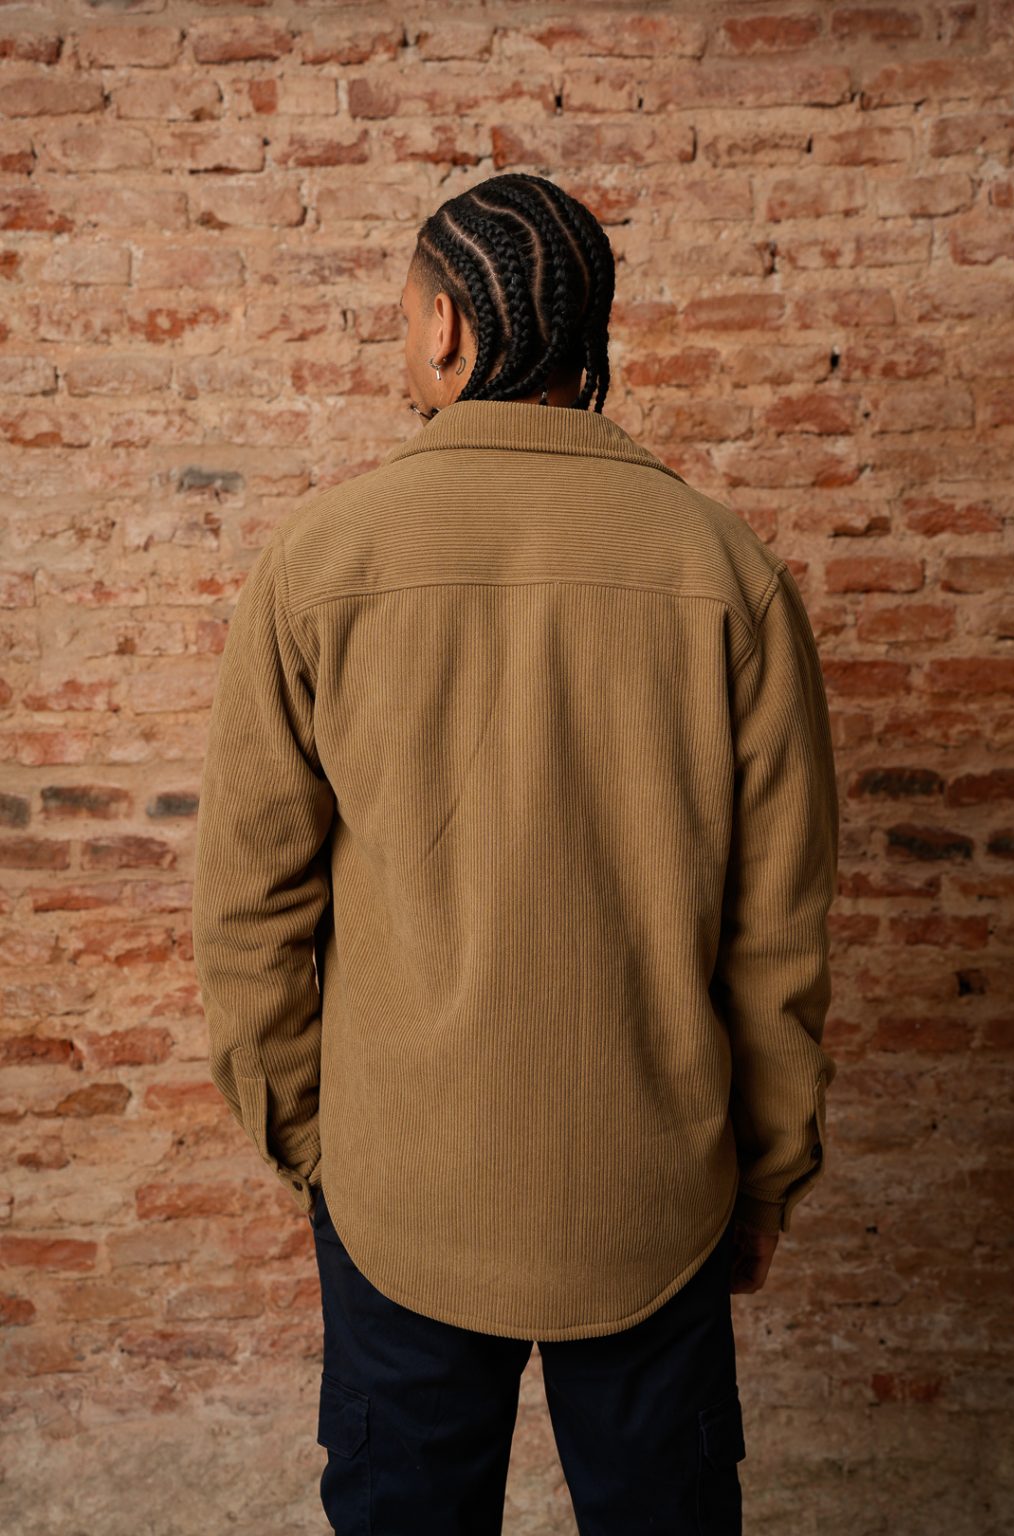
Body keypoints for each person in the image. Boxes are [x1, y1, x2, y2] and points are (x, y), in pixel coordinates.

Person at [192, 172, 839, 1535]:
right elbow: (778, 934)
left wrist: (315, 1146)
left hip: (403, 1186)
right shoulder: (728, 571)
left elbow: (249, 908)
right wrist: (766, 1175)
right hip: (653, 1189)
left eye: (400, 316)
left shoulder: (317, 562)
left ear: (444, 327)